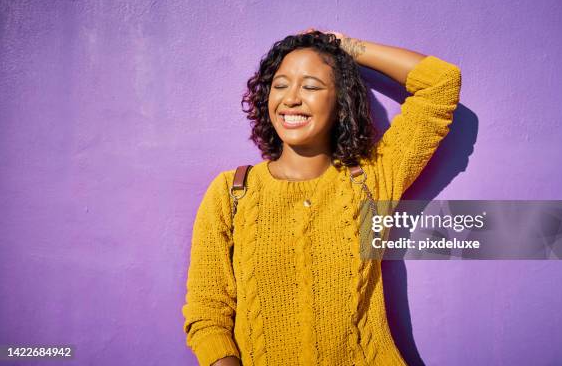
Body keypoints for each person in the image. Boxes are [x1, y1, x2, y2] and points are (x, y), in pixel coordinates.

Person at [182, 29, 462, 366]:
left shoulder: (372, 179)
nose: (291, 99)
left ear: (341, 103)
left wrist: (341, 45)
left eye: (311, 86)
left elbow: (441, 84)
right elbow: (207, 312)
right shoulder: (232, 192)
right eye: (281, 85)